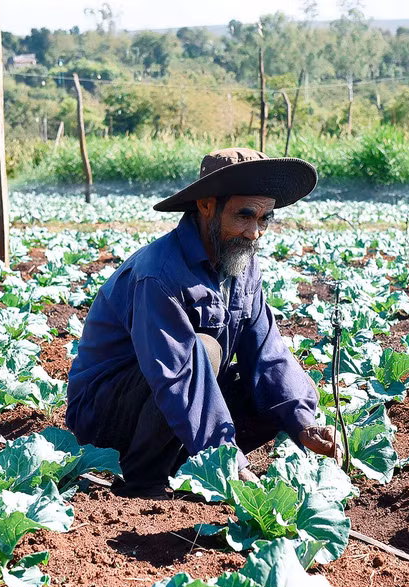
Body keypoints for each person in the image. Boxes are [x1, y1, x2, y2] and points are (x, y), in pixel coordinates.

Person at [65, 148, 337, 499]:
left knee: (271, 391)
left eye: (264, 218)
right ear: (207, 205)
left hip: (168, 406)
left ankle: (184, 462)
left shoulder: (242, 265)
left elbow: (269, 355)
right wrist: (230, 461)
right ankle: (144, 480)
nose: (255, 232)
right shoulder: (159, 274)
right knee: (204, 351)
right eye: (244, 215)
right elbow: (175, 374)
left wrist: (304, 424)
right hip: (106, 416)